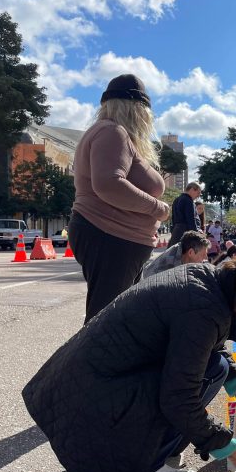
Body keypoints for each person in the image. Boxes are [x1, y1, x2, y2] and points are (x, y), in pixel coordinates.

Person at [22, 249, 236, 472]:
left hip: (88, 392)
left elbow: (210, 346)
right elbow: (178, 398)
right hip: (91, 409)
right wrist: (228, 447)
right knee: (192, 382)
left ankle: (157, 450)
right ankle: (146, 469)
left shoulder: (209, 281)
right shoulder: (203, 310)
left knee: (215, 368)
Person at [68, 74, 171, 323]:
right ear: (137, 109)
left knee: (114, 319)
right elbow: (109, 184)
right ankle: (90, 363)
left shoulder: (109, 133)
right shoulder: (113, 133)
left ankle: (103, 361)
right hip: (112, 236)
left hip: (113, 236)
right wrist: (158, 208)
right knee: (106, 323)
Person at [142, 231, 209, 279]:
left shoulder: (182, 250)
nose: (206, 257)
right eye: (203, 254)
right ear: (191, 252)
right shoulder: (171, 267)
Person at [169, 183, 202, 247]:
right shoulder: (188, 200)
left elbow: (173, 218)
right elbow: (191, 220)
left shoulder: (176, 199)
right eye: (198, 193)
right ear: (192, 189)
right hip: (186, 233)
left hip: (177, 232)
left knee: (176, 253)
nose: (198, 196)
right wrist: (196, 235)